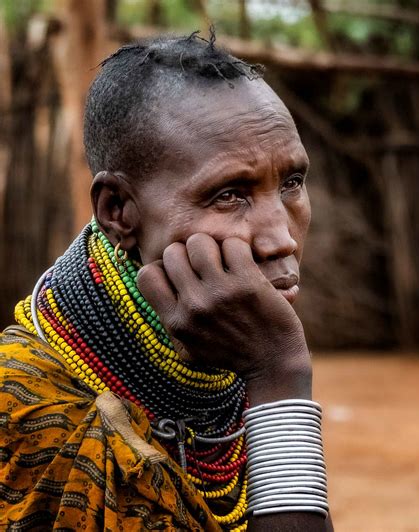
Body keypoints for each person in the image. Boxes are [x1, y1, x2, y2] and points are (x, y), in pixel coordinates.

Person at [0, 33, 333, 531]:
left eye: (291, 183)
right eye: (229, 195)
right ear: (118, 211)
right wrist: (279, 375)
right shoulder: (22, 411)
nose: (280, 237)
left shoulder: (232, 374)